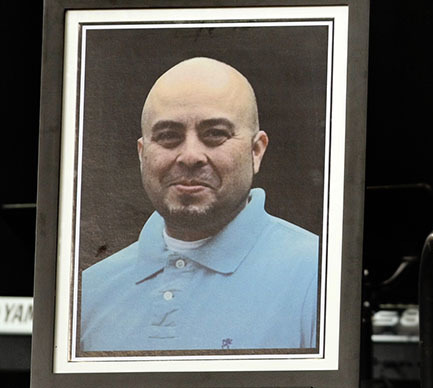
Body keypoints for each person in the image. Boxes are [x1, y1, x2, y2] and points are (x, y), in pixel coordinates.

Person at [79, 57, 319, 352]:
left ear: (256, 151)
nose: (190, 156)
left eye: (215, 134)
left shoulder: (318, 276)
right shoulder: (87, 292)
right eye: (168, 136)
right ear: (143, 155)